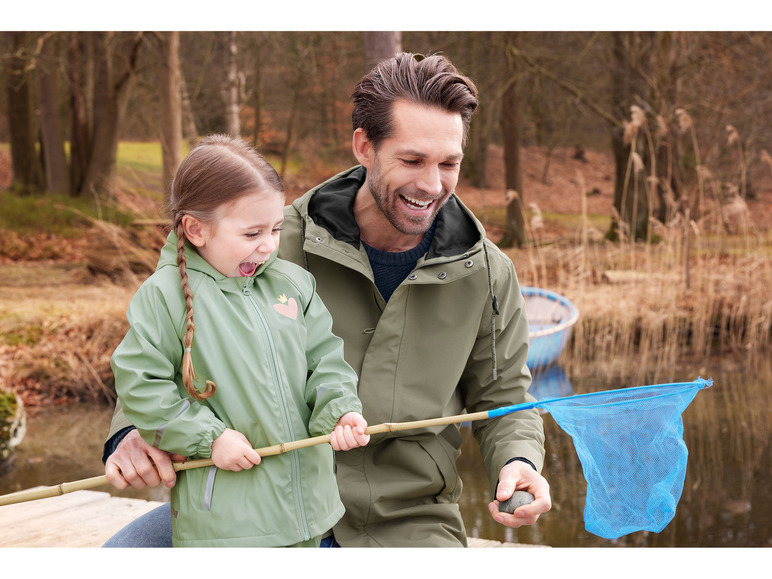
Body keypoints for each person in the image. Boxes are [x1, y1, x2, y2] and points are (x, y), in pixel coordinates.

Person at [103, 52, 551, 548]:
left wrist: (519, 461)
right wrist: (128, 433)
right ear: (364, 146)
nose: (431, 183)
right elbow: (168, 338)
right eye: (411, 160)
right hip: (251, 503)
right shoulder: (272, 240)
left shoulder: (488, 273)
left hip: (406, 519)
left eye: (449, 163)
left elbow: (504, 397)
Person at [109, 134, 369, 548]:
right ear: (196, 229)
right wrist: (208, 439)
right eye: (252, 234)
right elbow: (141, 385)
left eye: (276, 229)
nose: (268, 246)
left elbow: (327, 362)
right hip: (226, 528)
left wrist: (339, 412)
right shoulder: (164, 297)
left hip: (310, 512)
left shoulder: (293, 285)